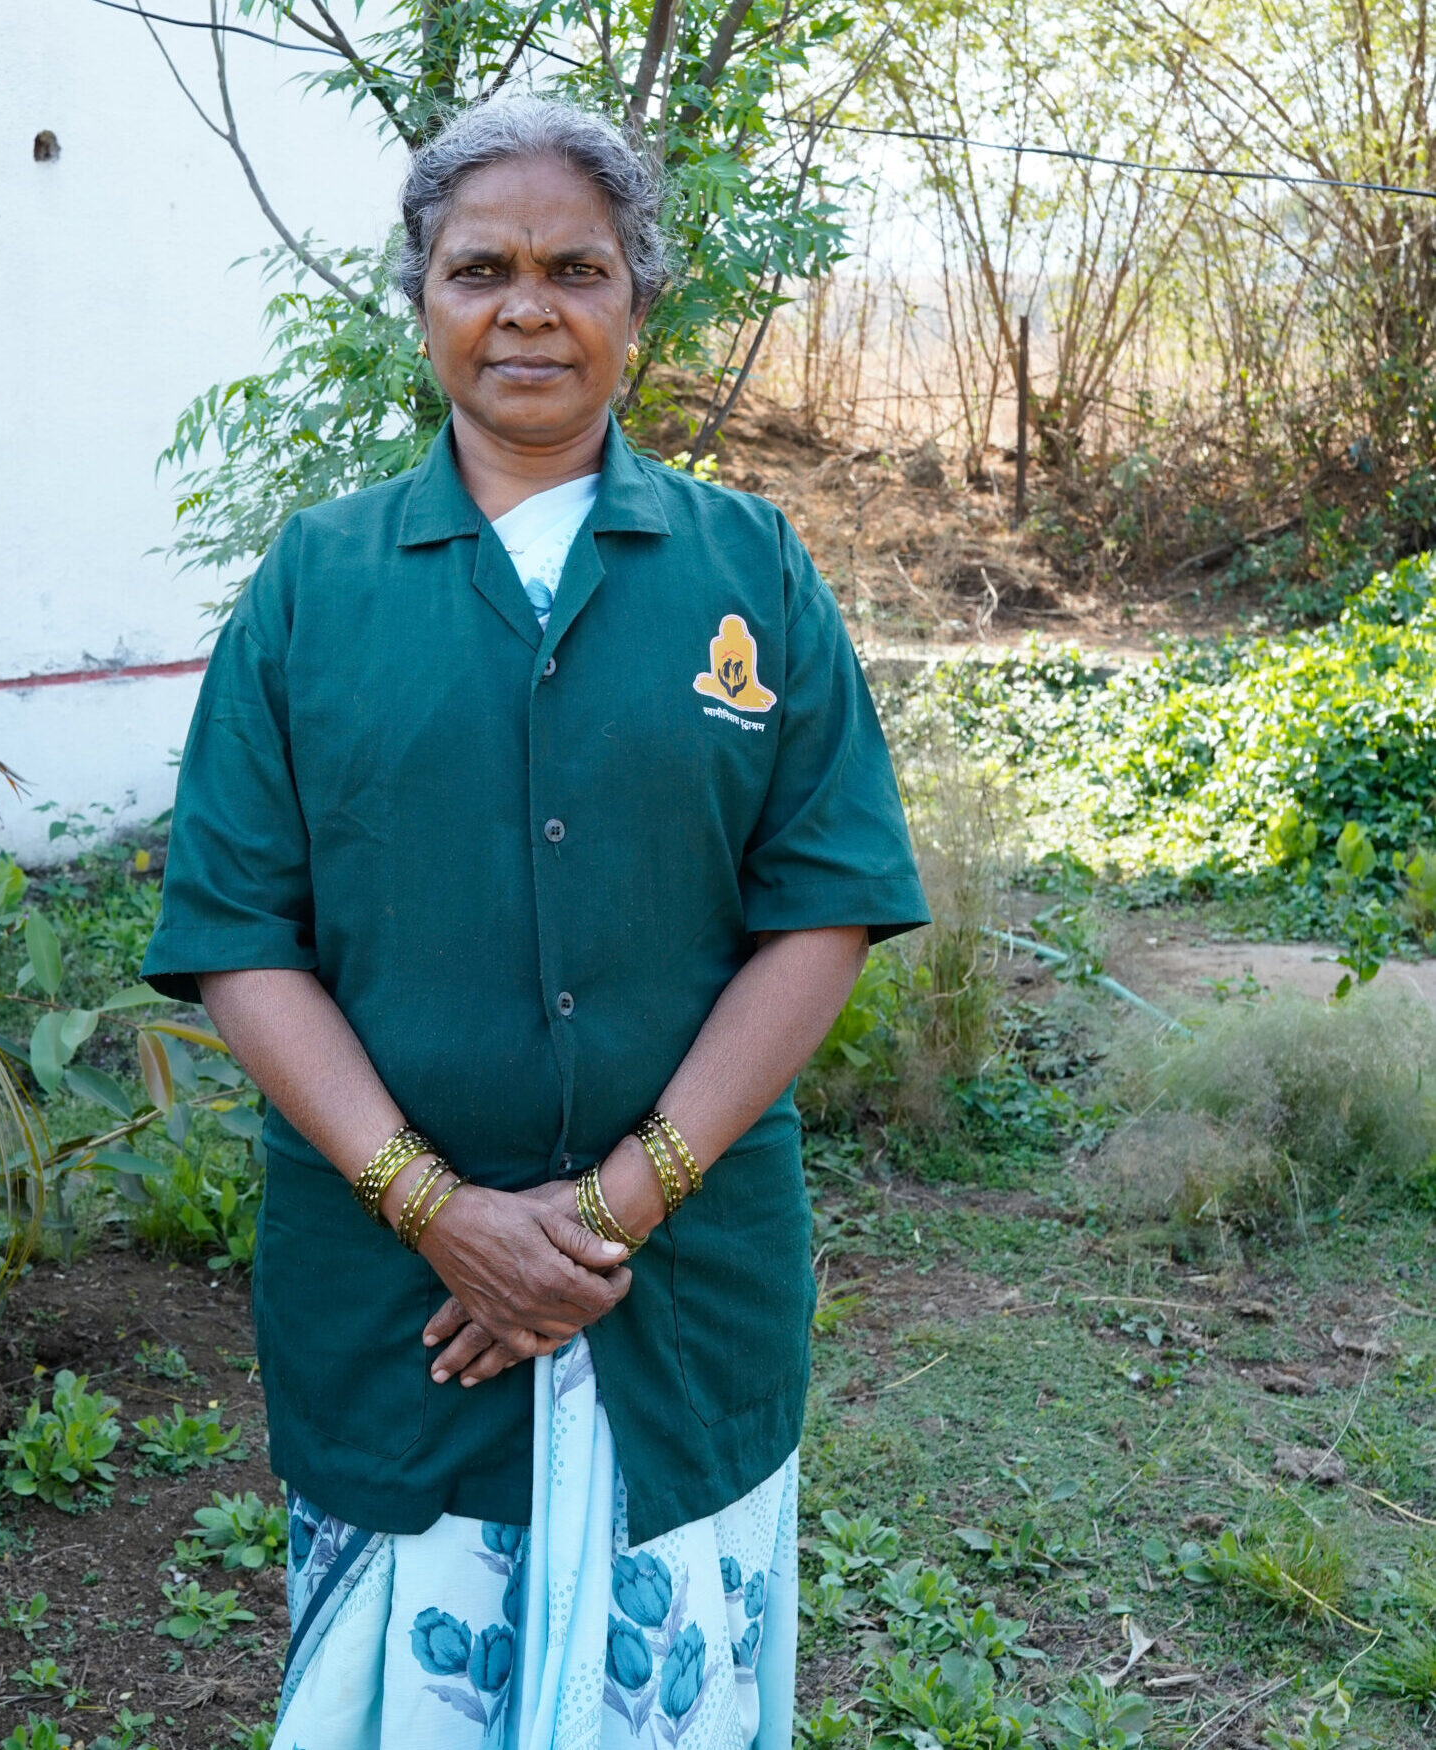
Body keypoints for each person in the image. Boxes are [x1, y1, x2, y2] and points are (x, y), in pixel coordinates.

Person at [142, 93, 927, 1750]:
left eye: (576, 269)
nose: (527, 309)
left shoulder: (750, 569)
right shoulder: (316, 586)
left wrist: (618, 1203)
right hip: (391, 1305)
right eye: (479, 269)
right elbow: (237, 929)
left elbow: (824, 910)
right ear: (422, 302)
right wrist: (434, 1208)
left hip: (685, 1292)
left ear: (639, 307)